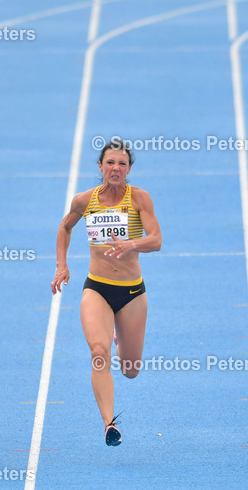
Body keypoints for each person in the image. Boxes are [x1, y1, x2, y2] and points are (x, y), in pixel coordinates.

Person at [51, 140, 162, 446]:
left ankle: (119, 334)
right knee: (99, 353)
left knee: (130, 369)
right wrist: (62, 265)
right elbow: (65, 227)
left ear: (129, 169)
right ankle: (109, 423)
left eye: (122, 164)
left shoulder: (139, 198)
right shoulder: (84, 200)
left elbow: (156, 240)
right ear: (100, 166)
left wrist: (131, 244)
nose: (115, 169)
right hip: (96, 288)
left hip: (131, 293)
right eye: (110, 163)